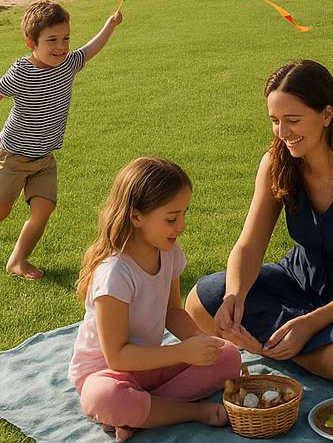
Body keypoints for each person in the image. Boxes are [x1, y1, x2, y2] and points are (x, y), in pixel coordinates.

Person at [186, 60, 333, 385]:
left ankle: (267, 346)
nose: (283, 133)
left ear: (326, 115)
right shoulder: (276, 162)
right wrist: (235, 297)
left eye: (293, 120)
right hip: (301, 283)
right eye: (275, 121)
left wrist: (310, 324)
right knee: (201, 302)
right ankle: (290, 347)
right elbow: (249, 245)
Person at [0, 0, 122, 280]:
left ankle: (18, 260)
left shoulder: (68, 63)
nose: (61, 47)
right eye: (52, 40)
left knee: (44, 209)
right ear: (30, 42)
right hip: (13, 156)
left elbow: (90, 49)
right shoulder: (23, 72)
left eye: (65, 39)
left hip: (44, 158)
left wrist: (109, 26)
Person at [70, 157, 241, 441]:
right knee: (105, 397)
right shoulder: (115, 273)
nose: (182, 225)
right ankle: (193, 412)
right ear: (137, 217)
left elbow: (172, 312)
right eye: (172, 219)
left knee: (228, 355)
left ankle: (140, 414)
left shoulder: (168, 251)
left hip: (150, 366)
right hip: (107, 373)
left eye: (184, 214)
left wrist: (203, 343)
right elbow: (117, 356)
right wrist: (184, 352)